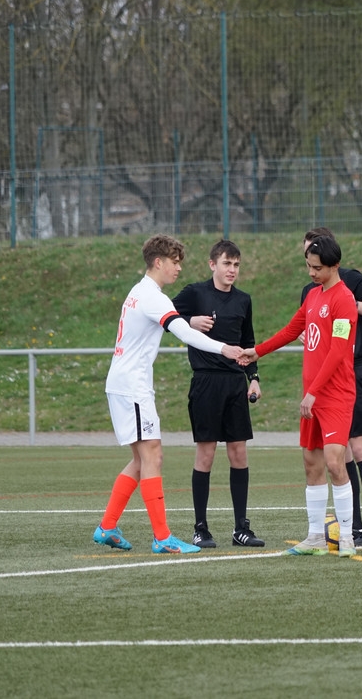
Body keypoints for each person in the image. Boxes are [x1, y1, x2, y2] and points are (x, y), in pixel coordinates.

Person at [93, 234, 244, 555]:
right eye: (174, 262)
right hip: (132, 386)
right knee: (153, 456)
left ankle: (107, 526)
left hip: (125, 384)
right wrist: (224, 348)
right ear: (158, 262)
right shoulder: (153, 296)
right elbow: (185, 332)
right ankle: (162, 537)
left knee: (141, 460)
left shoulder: (140, 291)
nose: (178, 268)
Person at [241, 235, 358, 557]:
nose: (311, 273)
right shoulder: (313, 296)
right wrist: (257, 352)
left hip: (334, 396)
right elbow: (292, 330)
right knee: (311, 463)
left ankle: (347, 537)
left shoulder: (345, 300)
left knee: (335, 462)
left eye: (317, 268)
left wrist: (313, 393)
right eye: (308, 266)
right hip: (313, 396)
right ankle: (315, 537)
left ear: (334, 265)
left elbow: (338, 352)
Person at [300, 227, 362, 547]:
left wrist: (353, 306)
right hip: (321, 379)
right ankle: (350, 525)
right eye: (307, 258)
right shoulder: (311, 290)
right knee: (337, 455)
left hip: (350, 371)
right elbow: (308, 330)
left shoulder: (351, 281)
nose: (310, 266)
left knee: (359, 445)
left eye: (315, 258)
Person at [172, 239, 264, 549]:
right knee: (206, 454)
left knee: (239, 454)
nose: (232, 270)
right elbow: (162, 317)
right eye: (226, 263)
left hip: (235, 384)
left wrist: (253, 378)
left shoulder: (243, 300)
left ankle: (241, 529)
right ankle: (201, 528)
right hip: (206, 383)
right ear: (213, 264)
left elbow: (248, 341)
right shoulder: (194, 293)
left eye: (236, 264)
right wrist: (189, 321)